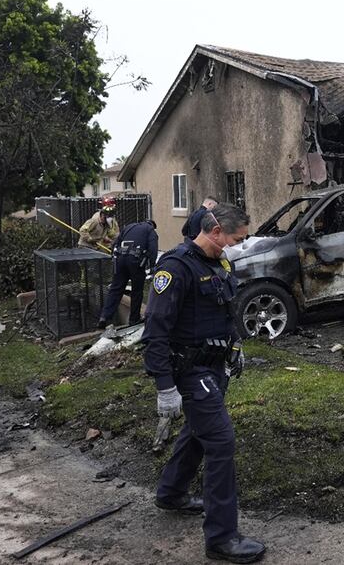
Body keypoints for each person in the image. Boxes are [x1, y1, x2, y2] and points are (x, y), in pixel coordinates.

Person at [142, 203, 266, 563]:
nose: (237, 246)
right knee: (221, 441)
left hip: (215, 368)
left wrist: (235, 346)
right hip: (191, 371)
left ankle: (171, 492)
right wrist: (165, 387)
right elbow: (155, 334)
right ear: (214, 232)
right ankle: (222, 538)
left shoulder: (217, 262)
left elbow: (224, 311)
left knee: (199, 432)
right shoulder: (176, 268)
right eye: (234, 239)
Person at [97, 219, 159, 329]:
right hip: (135, 262)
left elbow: (116, 242)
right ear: (153, 226)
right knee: (137, 291)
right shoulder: (150, 231)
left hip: (120, 260)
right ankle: (134, 319)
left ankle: (104, 317)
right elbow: (153, 249)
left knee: (116, 289)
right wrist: (152, 266)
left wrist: (114, 257)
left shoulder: (129, 226)